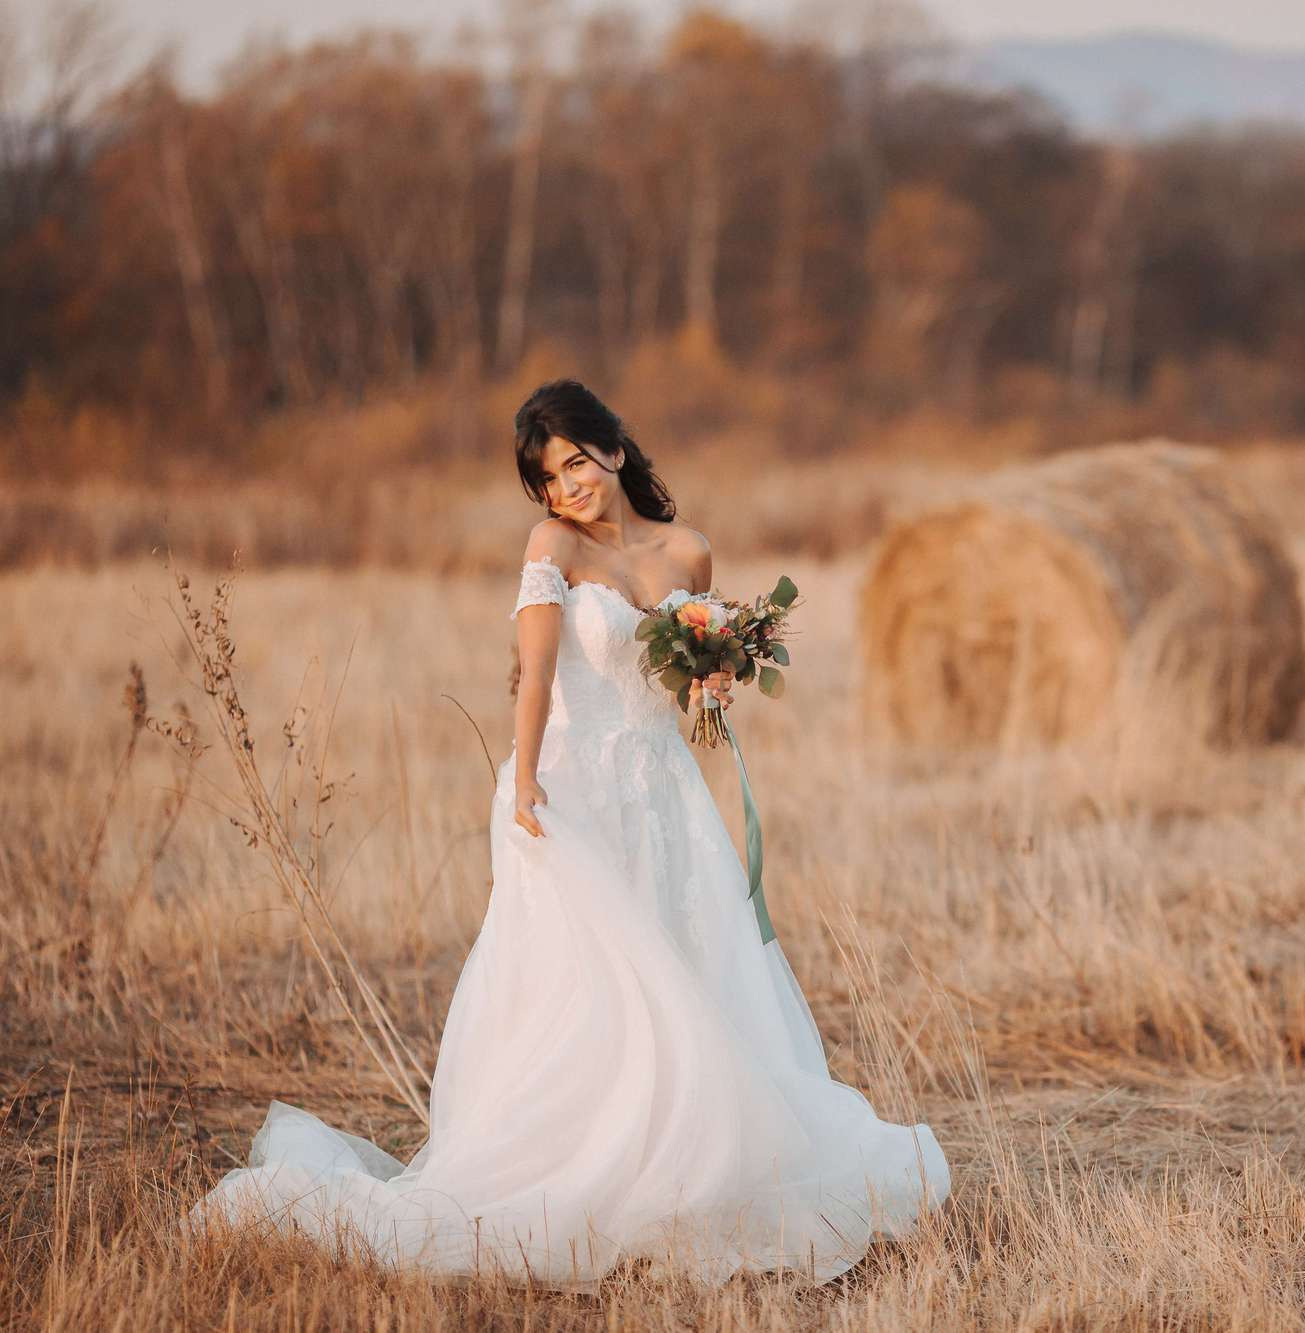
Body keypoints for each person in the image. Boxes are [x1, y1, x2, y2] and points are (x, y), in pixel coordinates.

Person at [184, 379, 951, 1289]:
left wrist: (711, 686)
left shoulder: (689, 551)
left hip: (662, 791)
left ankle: (688, 1169)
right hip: (569, 789)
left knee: (687, 962)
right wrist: (527, 779)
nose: (568, 487)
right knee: (594, 981)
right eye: (550, 477)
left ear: (615, 451)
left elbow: (674, 680)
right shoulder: (551, 547)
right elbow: (536, 671)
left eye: (578, 462)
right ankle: (585, 1164)